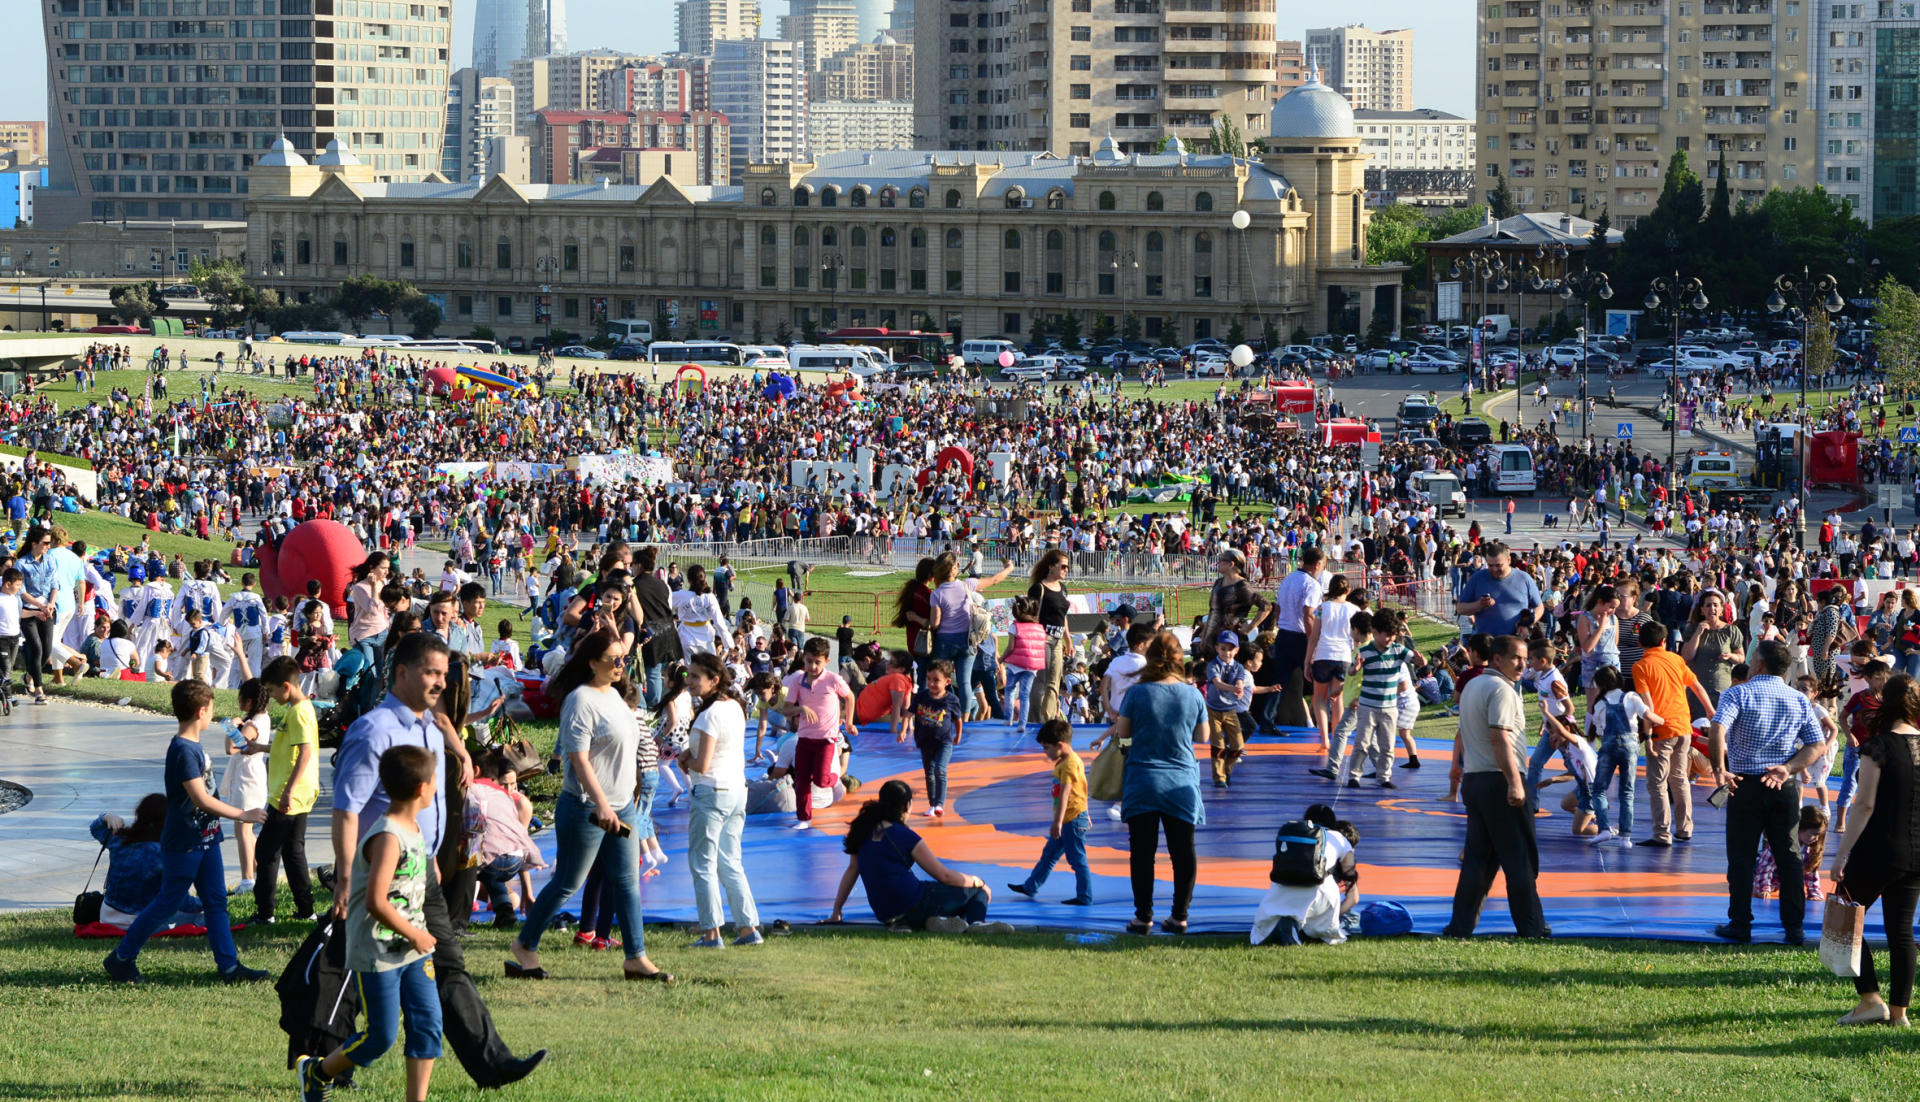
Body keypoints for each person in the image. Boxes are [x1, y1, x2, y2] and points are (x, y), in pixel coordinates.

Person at [330, 632, 545, 1088]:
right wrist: (346, 877)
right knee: (351, 969)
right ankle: (325, 1059)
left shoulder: (430, 725)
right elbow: (348, 808)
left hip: (421, 872)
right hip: (380, 875)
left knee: (445, 966)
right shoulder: (374, 730)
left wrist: (431, 856)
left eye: (444, 675)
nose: (440, 683)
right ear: (401, 673)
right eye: (431, 673)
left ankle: (492, 1065)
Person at [508, 630, 673, 982]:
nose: (621, 665)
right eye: (614, 659)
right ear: (592, 662)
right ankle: (525, 945)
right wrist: (602, 805)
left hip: (622, 808)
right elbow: (578, 759)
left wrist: (632, 794)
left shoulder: (615, 696)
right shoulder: (580, 700)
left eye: (624, 659)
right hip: (587, 810)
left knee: (627, 882)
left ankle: (636, 958)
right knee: (569, 881)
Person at [297, 744, 442, 1102]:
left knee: (427, 1025)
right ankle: (317, 1071)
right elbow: (377, 901)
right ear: (422, 788)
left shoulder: (412, 826)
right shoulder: (388, 836)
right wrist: (416, 934)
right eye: (435, 778)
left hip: (413, 949)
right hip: (378, 952)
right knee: (380, 1037)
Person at [103, 680, 271, 985]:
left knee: (216, 900)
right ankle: (121, 958)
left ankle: (229, 967)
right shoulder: (182, 749)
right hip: (185, 843)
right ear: (201, 711)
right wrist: (243, 814)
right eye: (212, 710)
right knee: (167, 902)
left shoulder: (193, 746)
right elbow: (200, 798)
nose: (214, 715)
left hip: (207, 838)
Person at [1706, 637, 1830, 945]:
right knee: (1788, 856)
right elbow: (1817, 744)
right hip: (1782, 783)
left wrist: (1719, 768)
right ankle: (1794, 928)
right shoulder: (1799, 699)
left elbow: (1718, 728)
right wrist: (1790, 768)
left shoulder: (1738, 693)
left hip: (1745, 783)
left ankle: (1740, 923)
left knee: (1741, 856)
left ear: (1758, 664)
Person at [1443, 634, 1549, 939]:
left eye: (1524, 658)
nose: (1522, 664)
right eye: (1516, 657)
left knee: (1479, 859)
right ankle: (1532, 927)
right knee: (1519, 858)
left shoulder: (1473, 684)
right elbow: (1499, 737)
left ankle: (1460, 927)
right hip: (1500, 779)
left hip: (1476, 780)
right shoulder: (1501, 690)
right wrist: (1515, 783)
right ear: (1497, 658)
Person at [1830, 672, 1920, 1026]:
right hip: (1915, 853)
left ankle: (1870, 999)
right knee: (1901, 932)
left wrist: (1840, 855)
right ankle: (1899, 1014)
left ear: (1886, 702)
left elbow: (1863, 805)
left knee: (1842, 921)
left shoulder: (1878, 746)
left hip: (1878, 850)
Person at [1111, 630, 1208, 935]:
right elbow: (1203, 737)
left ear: (1149, 658)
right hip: (1181, 782)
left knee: (1142, 852)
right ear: (1181, 660)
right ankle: (1179, 916)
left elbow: (1123, 733)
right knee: (1183, 851)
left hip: (1144, 779)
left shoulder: (1137, 694)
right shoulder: (1192, 694)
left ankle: (1143, 916)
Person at [825, 778, 1013, 933]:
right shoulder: (906, 836)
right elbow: (944, 876)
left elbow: (851, 871)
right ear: (907, 806)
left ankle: (920, 923)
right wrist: (977, 882)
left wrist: (837, 911)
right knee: (975, 894)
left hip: (884, 912)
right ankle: (977, 924)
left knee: (930, 895)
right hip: (913, 902)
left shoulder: (862, 830)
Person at [680, 651, 762, 948]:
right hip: (737, 790)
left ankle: (711, 932)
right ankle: (748, 927)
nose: (689, 682)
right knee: (730, 861)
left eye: (695, 677)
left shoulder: (709, 715)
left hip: (712, 792)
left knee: (702, 863)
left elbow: (702, 764)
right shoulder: (735, 708)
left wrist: (683, 759)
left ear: (714, 680)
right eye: (688, 675)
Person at [1631, 620, 1715, 848]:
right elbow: (1697, 686)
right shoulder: (1676, 660)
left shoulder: (1641, 666)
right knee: (1679, 779)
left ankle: (1662, 833)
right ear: (1664, 641)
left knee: (1657, 783)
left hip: (1662, 730)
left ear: (1640, 643)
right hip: (1683, 727)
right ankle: (1685, 828)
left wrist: (1648, 736)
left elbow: (1647, 705)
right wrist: (1710, 711)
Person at [253, 657, 319, 923]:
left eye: (271, 691)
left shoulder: (299, 712)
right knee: (293, 852)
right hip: (296, 793)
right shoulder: (299, 709)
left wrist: (288, 791)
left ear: (286, 687)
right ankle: (307, 911)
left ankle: (265, 912)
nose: (270, 696)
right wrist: (260, 748)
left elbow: (306, 751)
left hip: (288, 794)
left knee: (266, 851)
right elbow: (288, 746)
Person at [1005, 719, 1093, 905]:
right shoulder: (1068, 760)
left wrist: (1058, 822)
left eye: (1046, 748)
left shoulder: (1069, 764)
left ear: (1059, 745)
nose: (1045, 753)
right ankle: (1031, 886)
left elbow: (1066, 793)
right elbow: (1082, 790)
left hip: (1071, 820)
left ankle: (1085, 896)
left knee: (1077, 858)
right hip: (1072, 817)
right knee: (1049, 855)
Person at [89, 794, 205, 928]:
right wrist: (209, 901)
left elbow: (95, 828)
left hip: (107, 916)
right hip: (141, 921)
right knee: (205, 915)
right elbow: (183, 902)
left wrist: (107, 816)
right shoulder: (164, 855)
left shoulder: (119, 839)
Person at [777, 637, 858, 830]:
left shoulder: (832, 680)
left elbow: (849, 696)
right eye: (809, 661)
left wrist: (849, 722)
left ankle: (835, 780)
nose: (812, 666)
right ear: (803, 659)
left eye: (817, 662)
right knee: (802, 779)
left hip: (826, 739)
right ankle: (804, 818)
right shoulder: (798, 680)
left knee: (822, 780)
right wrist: (801, 710)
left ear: (826, 662)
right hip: (804, 738)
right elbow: (786, 709)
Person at [1585, 664, 1661, 850]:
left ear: (1601, 684)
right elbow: (1648, 715)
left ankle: (1603, 828)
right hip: (1630, 746)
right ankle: (1625, 836)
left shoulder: (1600, 704)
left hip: (1609, 746)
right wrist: (1664, 721)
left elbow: (1599, 730)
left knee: (1599, 790)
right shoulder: (1631, 697)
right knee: (1627, 792)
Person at [906, 659, 966, 816]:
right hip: (925, 741)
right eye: (928, 679)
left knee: (940, 770)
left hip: (944, 742)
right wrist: (902, 730)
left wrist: (958, 735)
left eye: (936, 680)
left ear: (947, 681)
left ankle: (939, 804)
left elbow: (957, 720)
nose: (931, 683)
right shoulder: (922, 697)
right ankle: (932, 805)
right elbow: (909, 713)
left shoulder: (951, 700)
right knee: (929, 774)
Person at [1454, 542, 1545, 638]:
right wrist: (1479, 604)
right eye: (1490, 565)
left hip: (1516, 644)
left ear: (1509, 560)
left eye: (1498, 565)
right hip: (1487, 645)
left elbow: (1539, 607)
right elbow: (1460, 608)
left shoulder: (1524, 578)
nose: (1494, 569)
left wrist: (1527, 623)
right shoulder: (1477, 578)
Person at [1025, 549, 1072, 723]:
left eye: (1068, 566)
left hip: (1058, 639)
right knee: (1040, 681)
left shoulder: (1063, 588)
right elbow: (1030, 615)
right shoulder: (1038, 588)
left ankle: (1050, 719)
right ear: (1051, 566)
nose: (1066, 569)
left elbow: (1063, 615)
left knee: (1054, 681)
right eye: (1063, 566)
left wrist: (1068, 639)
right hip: (1042, 638)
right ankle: (1035, 720)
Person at [1203, 630, 1251, 787]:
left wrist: (1239, 687)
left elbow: (1239, 681)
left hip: (1230, 710)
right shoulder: (1213, 665)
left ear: (1236, 650)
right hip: (1213, 709)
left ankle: (1227, 769)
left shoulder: (1238, 667)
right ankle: (1219, 777)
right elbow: (1217, 683)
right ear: (1217, 648)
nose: (1226, 653)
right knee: (1218, 744)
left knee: (1238, 745)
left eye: (1230, 649)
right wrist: (1233, 689)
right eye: (1223, 649)